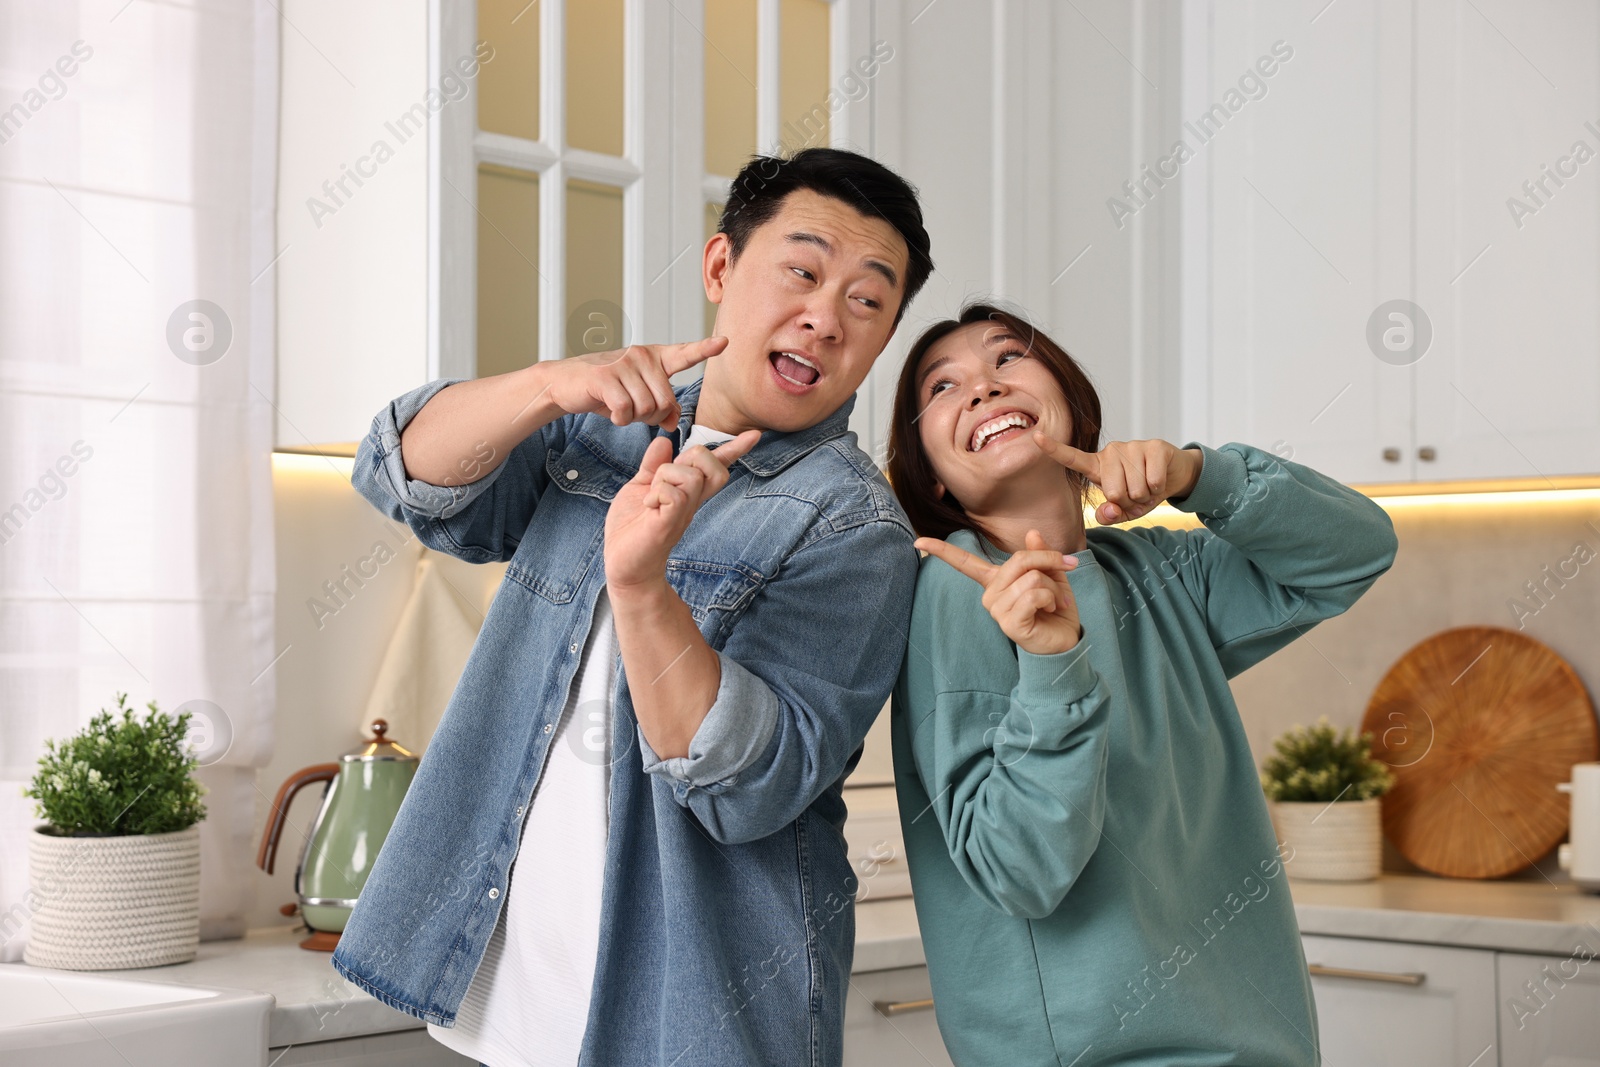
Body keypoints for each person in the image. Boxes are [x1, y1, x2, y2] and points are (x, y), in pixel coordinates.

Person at [330, 147, 934, 1066]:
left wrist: (643, 587)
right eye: (804, 272)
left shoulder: (855, 526)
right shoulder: (602, 421)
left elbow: (750, 786)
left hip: (694, 1008)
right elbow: (402, 478)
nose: (824, 317)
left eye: (867, 301)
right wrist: (546, 385)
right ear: (722, 268)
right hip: (507, 987)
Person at [885, 302, 1398, 1065]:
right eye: (943, 387)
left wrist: (1201, 474)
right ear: (930, 469)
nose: (984, 389)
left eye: (1006, 359)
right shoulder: (960, 592)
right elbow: (1019, 869)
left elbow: (1356, 550)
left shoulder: (1157, 569)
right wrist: (1053, 665)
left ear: (1072, 400)